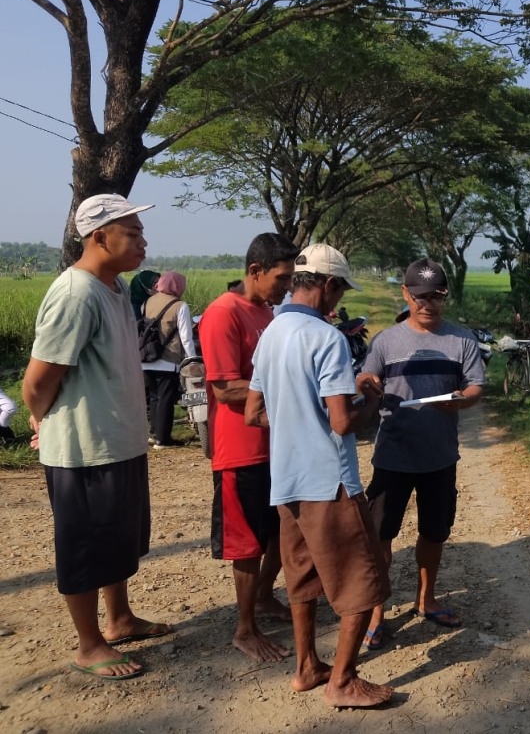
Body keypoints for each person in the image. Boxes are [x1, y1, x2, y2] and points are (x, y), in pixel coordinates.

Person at [22, 193, 171, 680]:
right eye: (133, 233)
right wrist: (42, 419)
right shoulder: (76, 293)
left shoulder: (115, 287)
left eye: (141, 233)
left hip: (117, 439)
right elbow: (38, 381)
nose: (143, 242)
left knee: (116, 536)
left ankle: (120, 618)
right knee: (85, 545)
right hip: (83, 448)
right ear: (99, 237)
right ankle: (89, 645)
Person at [245, 244, 393, 708]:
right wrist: (370, 399)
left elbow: (254, 413)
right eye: (340, 290)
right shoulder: (327, 338)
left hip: (287, 481)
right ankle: (342, 680)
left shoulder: (271, 332)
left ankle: (307, 666)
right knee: (363, 581)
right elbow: (342, 423)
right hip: (330, 482)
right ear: (328, 285)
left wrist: (297, 416)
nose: (338, 300)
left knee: (302, 577)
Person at [357, 258, 485, 648]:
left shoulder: (462, 340)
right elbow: (365, 375)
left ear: (445, 297)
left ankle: (426, 600)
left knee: (434, 532)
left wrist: (462, 400)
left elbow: (476, 386)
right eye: (420, 297)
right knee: (381, 535)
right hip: (393, 457)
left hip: (439, 457)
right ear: (406, 294)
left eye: (436, 296)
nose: (428, 304)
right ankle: (376, 611)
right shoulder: (386, 341)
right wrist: (367, 381)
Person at [199, 232, 298, 663]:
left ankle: (263, 596)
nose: (287, 287)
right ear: (255, 271)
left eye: (291, 279)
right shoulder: (223, 313)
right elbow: (224, 388)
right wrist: (293, 393)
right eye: (282, 278)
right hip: (241, 449)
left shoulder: (265, 311)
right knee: (248, 542)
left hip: (275, 443)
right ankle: (245, 628)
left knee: (279, 531)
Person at [141, 271, 196, 449]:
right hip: (168, 359)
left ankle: (155, 434)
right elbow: (186, 338)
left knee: (154, 397)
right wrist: (192, 360)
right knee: (165, 399)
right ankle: (163, 439)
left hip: (146, 358)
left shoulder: (147, 302)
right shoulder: (180, 306)